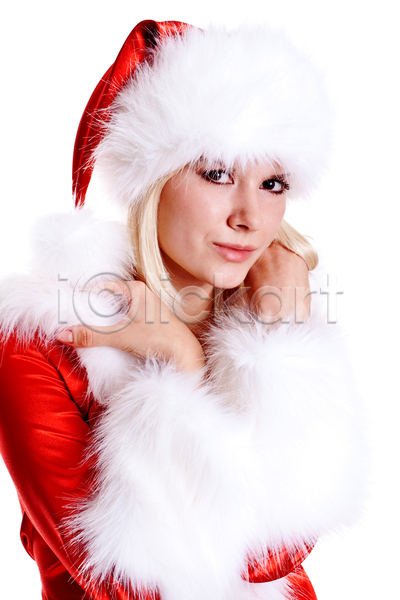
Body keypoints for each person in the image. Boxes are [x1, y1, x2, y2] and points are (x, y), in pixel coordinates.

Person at [0, 19, 366, 600]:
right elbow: (122, 584)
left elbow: (279, 555)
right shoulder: (42, 340)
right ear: (153, 179)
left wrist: (280, 341)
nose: (249, 217)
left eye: (273, 183)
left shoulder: (277, 316)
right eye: (217, 173)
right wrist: (179, 363)